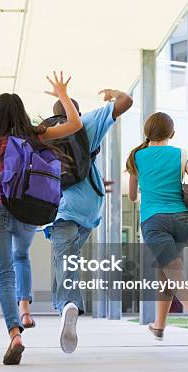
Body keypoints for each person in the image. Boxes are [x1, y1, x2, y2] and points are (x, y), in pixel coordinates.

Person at [0, 72, 82, 365]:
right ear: (22, 113)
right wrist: (62, 93)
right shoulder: (36, 135)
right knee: (21, 255)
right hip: (28, 209)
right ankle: (26, 308)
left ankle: (15, 333)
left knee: (4, 274)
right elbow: (74, 124)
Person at [41, 90, 132, 354]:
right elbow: (126, 102)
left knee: (64, 261)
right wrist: (113, 94)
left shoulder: (43, 131)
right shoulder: (86, 122)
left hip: (59, 206)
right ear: (75, 112)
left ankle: (68, 304)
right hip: (90, 206)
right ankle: (65, 305)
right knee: (66, 260)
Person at [126, 112, 188, 345]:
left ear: (147, 132)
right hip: (182, 221)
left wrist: (146, 188)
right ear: (171, 134)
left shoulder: (137, 157)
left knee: (172, 270)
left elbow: (132, 196)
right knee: (166, 272)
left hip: (154, 221)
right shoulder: (182, 154)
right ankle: (159, 327)